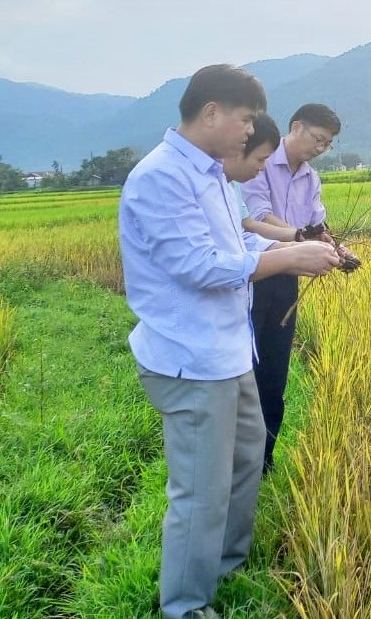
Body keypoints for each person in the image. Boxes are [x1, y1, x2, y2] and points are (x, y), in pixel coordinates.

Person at [118, 65, 341, 619]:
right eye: (244, 120)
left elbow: (237, 234)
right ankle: (187, 605)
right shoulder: (161, 176)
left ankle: (225, 564)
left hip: (230, 350)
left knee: (245, 461)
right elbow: (198, 266)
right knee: (201, 488)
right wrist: (288, 258)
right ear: (212, 111)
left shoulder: (212, 173)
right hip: (191, 359)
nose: (250, 132)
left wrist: (290, 245)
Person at [241, 103, 341, 472]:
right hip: (255, 271)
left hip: (288, 277)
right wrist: (300, 240)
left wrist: (335, 248)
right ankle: (240, 457)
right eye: (318, 139)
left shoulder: (311, 178)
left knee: (275, 371)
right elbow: (258, 218)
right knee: (247, 369)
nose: (320, 147)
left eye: (327, 144)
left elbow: (317, 223)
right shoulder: (260, 159)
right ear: (296, 126)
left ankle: (264, 460)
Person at [223, 112, 297, 243]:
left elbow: (247, 226)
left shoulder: (233, 184)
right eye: (260, 159)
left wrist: (298, 237)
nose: (262, 167)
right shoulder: (205, 183)